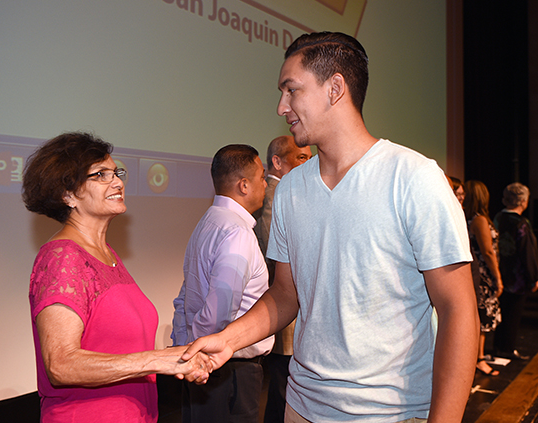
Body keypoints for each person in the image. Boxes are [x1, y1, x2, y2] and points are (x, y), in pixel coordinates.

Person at [182, 32, 479, 423]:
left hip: (391, 413)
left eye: (291, 90)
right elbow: (286, 294)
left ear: (335, 88)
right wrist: (227, 340)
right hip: (303, 407)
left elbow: (458, 310)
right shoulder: (289, 190)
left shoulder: (413, 177)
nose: (280, 106)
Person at [22, 132, 209, 423]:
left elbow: (118, 348)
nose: (118, 182)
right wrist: (157, 360)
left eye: (116, 172)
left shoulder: (105, 253)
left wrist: (178, 358)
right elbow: (61, 364)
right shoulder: (63, 258)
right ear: (67, 194)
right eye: (100, 175)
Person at [171, 144, 275, 423]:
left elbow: (184, 296)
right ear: (244, 185)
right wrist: (200, 353)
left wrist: (184, 347)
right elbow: (218, 314)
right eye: (262, 177)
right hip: (228, 371)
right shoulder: (237, 233)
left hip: (203, 364)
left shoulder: (208, 221)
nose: (265, 184)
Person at [252, 135, 311, 423]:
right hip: (283, 314)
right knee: (281, 394)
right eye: (301, 157)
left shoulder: (291, 194)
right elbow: (275, 259)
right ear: (277, 161)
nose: (308, 163)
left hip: (292, 314)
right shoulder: (275, 199)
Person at [493, 182, 538, 360]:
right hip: (516, 278)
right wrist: (533, 277)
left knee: (502, 312)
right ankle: (507, 349)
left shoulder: (497, 218)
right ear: (523, 201)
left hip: (498, 273)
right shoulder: (521, 223)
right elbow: (527, 253)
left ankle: (498, 346)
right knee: (513, 315)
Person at [463, 180, 503, 376]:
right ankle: (478, 359)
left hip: (478, 273)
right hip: (484, 274)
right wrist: (497, 277)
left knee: (480, 316)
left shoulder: (468, 217)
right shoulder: (479, 220)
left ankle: (477, 358)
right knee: (482, 317)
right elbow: (487, 251)